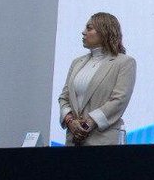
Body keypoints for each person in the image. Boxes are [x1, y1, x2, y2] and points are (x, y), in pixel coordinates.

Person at [58, 12, 137, 146]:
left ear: (104, 32)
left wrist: (88, 124)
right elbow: (64, 98)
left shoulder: (124, 62)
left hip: (104, 141)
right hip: (73, 141)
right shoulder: (77, 63)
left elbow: (119, 100)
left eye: (89, 28)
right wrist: (71, 122)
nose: (83, 32)